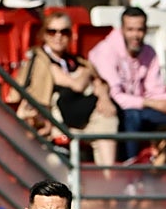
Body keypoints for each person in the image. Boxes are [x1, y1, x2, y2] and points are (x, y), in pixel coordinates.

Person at [9, 12, 118, 165]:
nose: (58, 36)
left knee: (108, 119)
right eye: (52, 31)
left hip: (80, 116)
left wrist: (105, 99)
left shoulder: (75, 60)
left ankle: (108, 179)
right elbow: (78, 85)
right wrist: (86, 73)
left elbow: (100, 83)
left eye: (64, 32)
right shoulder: (41, 61)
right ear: (44, 35)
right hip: (52, 121)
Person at [88, 6, 166, 163]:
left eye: (140, 30)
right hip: (113, 110)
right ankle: (130, 169)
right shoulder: (106, 51)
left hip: (141, 107)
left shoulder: (149, 52)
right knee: (133, 116)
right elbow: (116, 97)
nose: (136, 35)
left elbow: (155, 89)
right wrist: (153, 103)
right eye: (130, 29)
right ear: (121, 29)